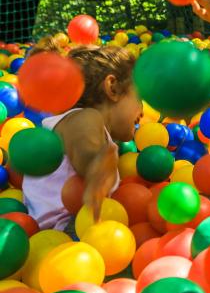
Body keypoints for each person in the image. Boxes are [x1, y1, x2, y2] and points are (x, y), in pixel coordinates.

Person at [22, 45, 143, 231]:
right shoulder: (83, 117)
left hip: (46, 238)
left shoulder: (83, 126)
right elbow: (84, 146)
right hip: (69, 229)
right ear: (113, 88)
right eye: (140, 96)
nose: (143, 110)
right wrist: (95, 164)